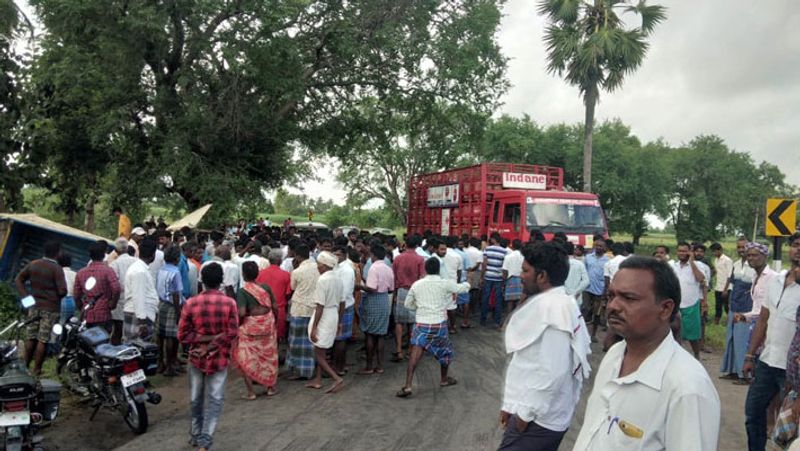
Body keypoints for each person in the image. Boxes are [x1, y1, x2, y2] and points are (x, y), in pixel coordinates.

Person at [573, 257, 721, 450]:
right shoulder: (615, 355)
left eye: (629, 298)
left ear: (665, 309)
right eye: (611, 296)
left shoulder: (687, 386)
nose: (613, 306)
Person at [499, 242, 591, 451]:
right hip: (536, 412)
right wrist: (510, 405)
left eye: (525, 271)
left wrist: (524, 415)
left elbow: (553, 372)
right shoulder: (559, 302)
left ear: (542, 276)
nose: (520, 275)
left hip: (539, 420)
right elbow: (527, 362)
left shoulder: (555, 310)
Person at [743, 235, 800, 451]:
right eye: (795, 245)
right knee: (753, 413)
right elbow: (763, 320)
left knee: (792, 425)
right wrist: (750, 355)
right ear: (789, 249)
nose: (798, 250)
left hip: (793, 369)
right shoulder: (775, 281)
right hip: (767, 362)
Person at [178, 262, 239, 451]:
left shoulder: (191, 303)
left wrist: (203, 343)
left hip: (196, 357)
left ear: (202, 281)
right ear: (221, 281)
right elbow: (232, 332)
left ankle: (196, 435)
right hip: (219, 357)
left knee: (196, 399)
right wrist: (213, 342)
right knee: (215, 399)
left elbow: (182, 335)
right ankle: (204, 440)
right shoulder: (230, 303)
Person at [396, 257, 469, 398]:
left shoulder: (417, 284)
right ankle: (443, 379)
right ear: (438, 270)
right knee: (445, 353)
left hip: (421, 323)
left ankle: (408, 385)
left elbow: (408, 304)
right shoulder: (444, 283)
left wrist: (420, 307)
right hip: (438, 324)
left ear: (425, 269)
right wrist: (468, 283)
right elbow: (461, 289)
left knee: (414, 355)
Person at [15, 240, 67, 376]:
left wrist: (26, 298)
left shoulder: (33, 264)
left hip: (33, 306)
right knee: (43, 340)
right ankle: (37, 369)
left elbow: (18, 280)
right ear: (57, 253)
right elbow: (63, 291)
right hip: (50, 308)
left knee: (31, 337)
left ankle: (25, 366)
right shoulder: (57, 269)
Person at [233, 261, 279, 400]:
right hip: (267, 325)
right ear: (257, 273)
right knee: (268, 356)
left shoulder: (242, 292)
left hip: (251, 328)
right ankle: (270, 387)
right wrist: (274, 320)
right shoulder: (265, 288)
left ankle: (251, 392)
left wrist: (238, 326)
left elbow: (241, 313)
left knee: (247, 358)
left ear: (243, 274)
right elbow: (275, 306)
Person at [305, 252, 346, 393]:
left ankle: (336, 378)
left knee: (318, 353)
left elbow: (320, 306)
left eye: (319, 265)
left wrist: (314, 327)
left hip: (324, 316)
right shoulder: (338, 279)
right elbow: (342, 303)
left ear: (324, 266)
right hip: (333, 314)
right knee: (320, 348)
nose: (317, 267)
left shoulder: (323, 280)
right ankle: (318, 379)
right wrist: (340, 322)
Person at [720, 237, 756, 381]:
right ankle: (731, 370)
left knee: (743, 339)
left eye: (744, 247)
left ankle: (744, 374)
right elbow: (732, 284)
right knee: (731, 338)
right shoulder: (735, 264)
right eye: (739, 247)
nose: (741, 250)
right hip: (734, 303)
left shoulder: (754, 266)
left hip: (747, 306)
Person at [357, 244, 394, 375]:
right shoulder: (388, 268)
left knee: (370, 334)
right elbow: (391, 289)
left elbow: (371, 288)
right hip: (384, 300)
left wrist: (359, 286)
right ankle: (380, 365)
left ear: (373, 255)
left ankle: (369, 366)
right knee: (381, 335)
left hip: (373, 300)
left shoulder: (373, 268)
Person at [669, 242, 709, 359]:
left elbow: (701, 279)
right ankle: (676, 357)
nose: (682, 253)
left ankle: (696, 354)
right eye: (680, 251)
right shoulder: (673, 266)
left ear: (689, 252)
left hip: (690, 304)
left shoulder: (698, 265)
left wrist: (691, 262)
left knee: (693, 335)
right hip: (676, 304)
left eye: (684, 251)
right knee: (675, 333)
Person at [286, 244, 319, 380]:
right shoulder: (318, 267)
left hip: (299, 308)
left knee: (296, 342)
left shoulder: (297, 271)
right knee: (311, 341)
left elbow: (293, 286)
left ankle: (298, 370)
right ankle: (310, 369)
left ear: (298, 256)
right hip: (314, 308)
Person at [74, 240, 121, 332]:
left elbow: (76, 295)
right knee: (102, 342)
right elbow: (116, 289)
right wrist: (112, 304)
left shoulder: (80, 273)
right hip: (103, 314)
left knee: (85, 342)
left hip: (86, 315)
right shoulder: (108, 271)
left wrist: (82, 307)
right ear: (104, 255)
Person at [391, 236, 425, 361]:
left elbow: (394, 277)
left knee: (399, 321)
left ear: (405, 244)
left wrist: (394, 294)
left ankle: (399, 349)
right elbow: (422, 278)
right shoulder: (420, 259)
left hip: (401, 291)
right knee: (412, 322)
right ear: (416, 245)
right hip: (415, 292)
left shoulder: (398, 258)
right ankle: (410, 350)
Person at [122, 238, 159, 341]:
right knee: (136, 348)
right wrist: (142, 322)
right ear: (153, 255)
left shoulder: (140, 268)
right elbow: (138, 296)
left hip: (139, 314)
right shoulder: (140, 271)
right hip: (139, 316)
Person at [157, 246, 184, 376]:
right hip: (172, 305)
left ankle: (160, 362)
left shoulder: (161, 269)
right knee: (171, 336)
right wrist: (179, 312)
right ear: (177, 258)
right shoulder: (176, 272)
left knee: (160, 335)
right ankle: (169, 366)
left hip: (161, 303)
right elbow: (176, 294)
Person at [256, 249, 292, 341]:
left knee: (263, 337)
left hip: (263, 310)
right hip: (279, 310)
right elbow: (288, 294)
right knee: (277, 337)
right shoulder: (286, 275)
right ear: (280, 261)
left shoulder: (260, 274)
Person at [332, 246, 356, 374]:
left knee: (340, 338)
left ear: (345, 255)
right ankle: (339, 365)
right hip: (338, 305)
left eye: (338, 255)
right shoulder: (337, 267)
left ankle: (339, 367)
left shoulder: (346, 270)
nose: (336, 257)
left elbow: (344, 292)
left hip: (344, 307)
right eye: (334, 254)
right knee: (338, 339)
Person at [109, 238, 137, 345]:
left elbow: (114, 286)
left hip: (119, 302)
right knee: (132, 333)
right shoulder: (137, 262)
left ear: (116, 250)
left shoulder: (114, 265)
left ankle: (115, 355)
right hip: (134, 302)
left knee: (117, 331)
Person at [583, 238, 609, 343]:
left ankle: (593, 335)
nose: (598, 247)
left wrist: (605, 291)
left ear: (605, 248)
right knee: (585, 310)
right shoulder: (588, 258)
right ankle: (582, 333)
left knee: (597, 313)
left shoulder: (607, 261)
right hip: (587, 288)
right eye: (597, 245)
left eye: (601, 246)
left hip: (600, 290)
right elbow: (584, 272)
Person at [481, 233, 508, 329]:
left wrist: (482, 276)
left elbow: (484, 264)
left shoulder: (487, 249)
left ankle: (483, 320)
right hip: (499, 278)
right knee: (498, 299)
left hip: (488, 277)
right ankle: (497, 321)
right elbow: (505, 266)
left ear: (492, 239)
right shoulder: (505, 251)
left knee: (485, 298)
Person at [711, 242, 733, 325]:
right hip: (718, 287)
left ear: (720, 250)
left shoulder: (727, 260)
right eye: (713, 251)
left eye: (715, 251)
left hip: (726, 288)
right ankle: (716, 321)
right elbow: (717, 272)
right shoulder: (716, 260)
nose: (714, 253)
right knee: (718, 306)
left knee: (727, 306)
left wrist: (725, 290)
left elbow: (730, 275)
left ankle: (730, 321)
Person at [562, 241, 589, 305]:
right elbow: (586, 281)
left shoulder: (560, 264)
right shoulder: (580, 264)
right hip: (576, 298)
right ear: (573, 251)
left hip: (563, 297)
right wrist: (576, 292)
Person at [502, 239, 524, 312]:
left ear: (512, 246)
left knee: (510, 302)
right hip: (521, 280)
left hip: (510, 280)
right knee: (519, 302)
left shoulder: (508, 257)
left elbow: (504, 270)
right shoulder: (523, 257)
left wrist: (504, 281)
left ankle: (509, 318)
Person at [57, 253, 77, 323]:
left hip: (58, 301)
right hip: (71, 302)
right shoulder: (75, 274)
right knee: (65, 324)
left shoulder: (55, 272)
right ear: (70, 263)